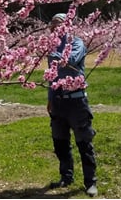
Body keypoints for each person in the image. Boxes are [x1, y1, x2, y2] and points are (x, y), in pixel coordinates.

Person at [46, 13, 98, 197]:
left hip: (76, 101)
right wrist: (50, 98)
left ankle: (90, 182)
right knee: (60, 141)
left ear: (67, 26)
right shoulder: (52, 46)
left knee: (84, 142)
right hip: (58, 101)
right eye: (52, 25)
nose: (54, 28)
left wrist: (53, 54)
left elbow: (71, 59)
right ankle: (66, 176)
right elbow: (52, 74)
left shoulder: (76, 43)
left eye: (58, 24)